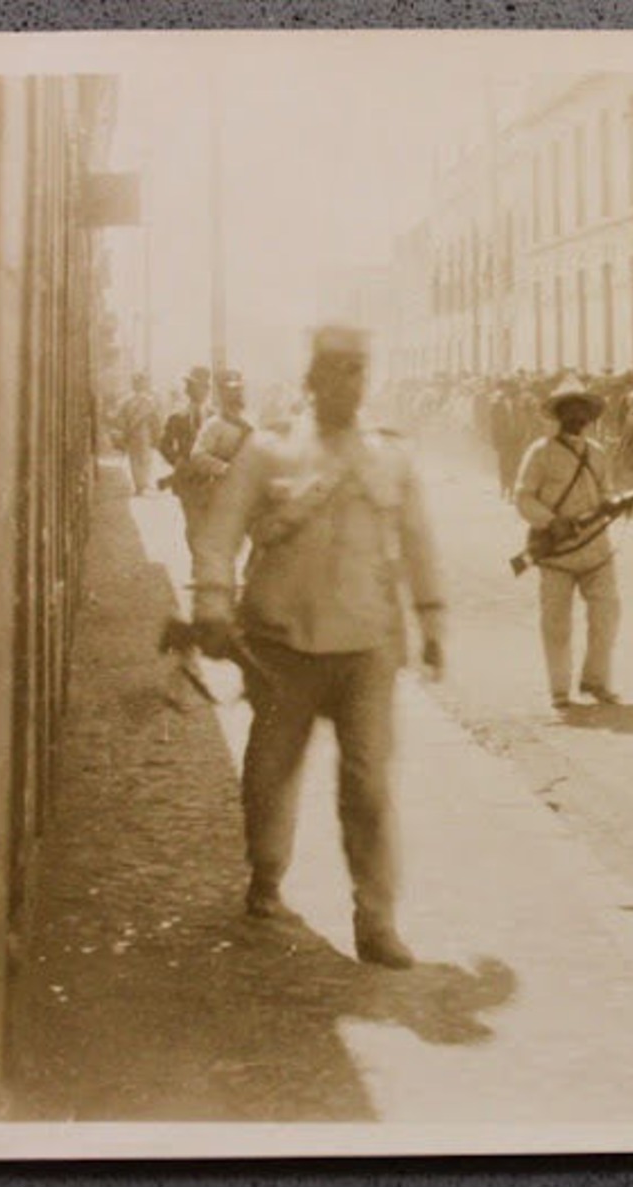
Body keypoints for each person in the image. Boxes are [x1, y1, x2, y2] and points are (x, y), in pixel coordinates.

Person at [190, 326, 446, 970]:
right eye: (335, 370)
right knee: (269, 776)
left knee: (367, 784)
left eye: (358, 369)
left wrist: (432, 617)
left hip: (366, 648)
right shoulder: (269, 452)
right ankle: (267, 875)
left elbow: (418, 541)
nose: (348, 382)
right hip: (283, 649)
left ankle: (376, 920)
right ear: (312, 379)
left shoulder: (388, 457)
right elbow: (218, 532)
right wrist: (214, 604)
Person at [515, 379, 625, 711]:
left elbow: (607, 490)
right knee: (556, 623)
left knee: (607, 616)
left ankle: (597, 681)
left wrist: (613, 503)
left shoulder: (598, 453)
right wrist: (550, 521)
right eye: (570, 408)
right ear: (559, 414)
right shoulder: (540, 452)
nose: (577, 415)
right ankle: (559, 689)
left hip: (596, 549)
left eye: (583, 409)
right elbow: (524, 497)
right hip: (557, 553)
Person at [186, 369, 255, 521]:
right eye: (231, 391)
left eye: (239, 390)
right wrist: (224, 468)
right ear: (222, 395)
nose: (236, 394)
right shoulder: (214, 425)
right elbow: (197, 455)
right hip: (222, 491)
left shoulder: (251, 421)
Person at [160, 366, 214, 555]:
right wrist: (178, 461)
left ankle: (206, 564)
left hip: (212, 480)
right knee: (193, 524)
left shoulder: (217, 417)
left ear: (207, 389)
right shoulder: (177, 417)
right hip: (187, 480)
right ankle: (198, 563)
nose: (189, 390)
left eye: (194, 386)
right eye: (189, 386)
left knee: (210, 525)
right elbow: (164, 445)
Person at [116, 372, 163, 495]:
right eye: (138, 382)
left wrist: (125, 429)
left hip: (135, 432)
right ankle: (141, 484)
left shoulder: (127, 400)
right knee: (143, 458)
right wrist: (156, 433)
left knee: (136, 459)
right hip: (142, 432)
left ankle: (139, 484)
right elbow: (156, 419)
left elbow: (120, 418)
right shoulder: (148, 400)